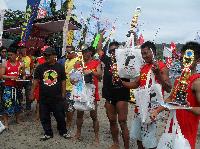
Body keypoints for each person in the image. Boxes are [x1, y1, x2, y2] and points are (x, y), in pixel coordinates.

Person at [122, 41, 172, 149]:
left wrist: (158, 73)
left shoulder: (162, 66)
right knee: (139, 138)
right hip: (140, 107)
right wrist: (121, 83)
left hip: (152, 109)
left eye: (146, 53)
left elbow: (168, 88)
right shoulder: (144, 68)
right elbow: (136, 84)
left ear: (153, 52)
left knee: (149, 141)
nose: (144, 56)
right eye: (142, 54)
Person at [151, 41, 200, 149]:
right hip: (172, 125)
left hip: (187, 131)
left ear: (197, 60)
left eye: (187, 59)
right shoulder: (178, 80)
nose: (183, 62)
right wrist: (157, 110)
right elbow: (170, 99)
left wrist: (188, 108)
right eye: (182, 58)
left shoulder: (197, 82)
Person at [97, 33, 130, 149]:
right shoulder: (106, 60)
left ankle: (126, 147)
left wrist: (132, 36)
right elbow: (99, 49)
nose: (113, 52)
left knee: (122, 122)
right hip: (109, 96)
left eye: (115, 50)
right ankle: (116, 143)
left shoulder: (126, 61)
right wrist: (101, 36)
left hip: (122, 95)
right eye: (111, 51)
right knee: (112, 121)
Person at [30, 47, 68, 141]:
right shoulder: (40, 67)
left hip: (57, 97)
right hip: (44, 97)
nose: (46, 56)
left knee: (60, 116)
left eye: (48, 55)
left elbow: (63, 81)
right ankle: (48, 133)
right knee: (44, 116)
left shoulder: (60, 67)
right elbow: (36, 81)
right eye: (44, 55)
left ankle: (63, 131)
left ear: (54, 56)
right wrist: (32, 92)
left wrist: (63, 94)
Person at [73, 45, 102, 146]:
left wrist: (91, 71)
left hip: (92, 93)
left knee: (94, 116)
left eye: (86, 51)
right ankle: (78, 133)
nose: (84, 53)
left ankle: (96, 137)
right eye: (83, 52)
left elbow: (100, 75)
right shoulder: (78, 63)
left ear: (90, 52)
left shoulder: (96, 63)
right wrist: (74, 79)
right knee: (79, 114)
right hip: (80, 92)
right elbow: (73, 79)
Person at [0, 44, 25, 129]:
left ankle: (17, 119)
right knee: (6, 104)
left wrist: (22, 78)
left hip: (17, 87)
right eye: (8, 55)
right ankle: (6, 122)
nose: (9, 56)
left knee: (18, 103)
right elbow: (2, 75)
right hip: (8, 87)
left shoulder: (21, 64)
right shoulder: (5, 64)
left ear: (16, 54)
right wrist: (11, 77)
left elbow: (23, 75)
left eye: (11, 54)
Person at [64, 45, 79, 138]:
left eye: (69, 52)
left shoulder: (76, 61)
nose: (67, 54)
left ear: (73, 52)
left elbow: (78, 76)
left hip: (72, 88)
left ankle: (68, 124)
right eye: (66, 52)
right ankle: (67, 122)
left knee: (70, 107)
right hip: (65, 87)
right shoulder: (67, 60)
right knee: (66, 106)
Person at [17, 47, 34, 111]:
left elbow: (32, 68)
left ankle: (28, 108)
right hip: (20, 78)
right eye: (22, 49)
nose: (23, 51)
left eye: (24, 49)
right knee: (19, 93)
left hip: (28, 78)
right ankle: (19, 107)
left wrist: (30, 74)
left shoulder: (29, 58)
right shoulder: (17, 58)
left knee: (28, 93)